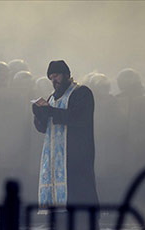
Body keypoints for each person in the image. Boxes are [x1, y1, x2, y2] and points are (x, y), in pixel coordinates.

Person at [32, 60, 99, 208]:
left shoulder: (81, 93)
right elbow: (44, 128)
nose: (54, 80)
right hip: (55, 158)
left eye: (56, 76)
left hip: (76, 155)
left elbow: (79, 118)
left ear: (67, 75)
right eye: (51, 77)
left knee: (79, 192)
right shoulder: (51, 98)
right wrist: (39, 115)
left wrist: (51, 112)